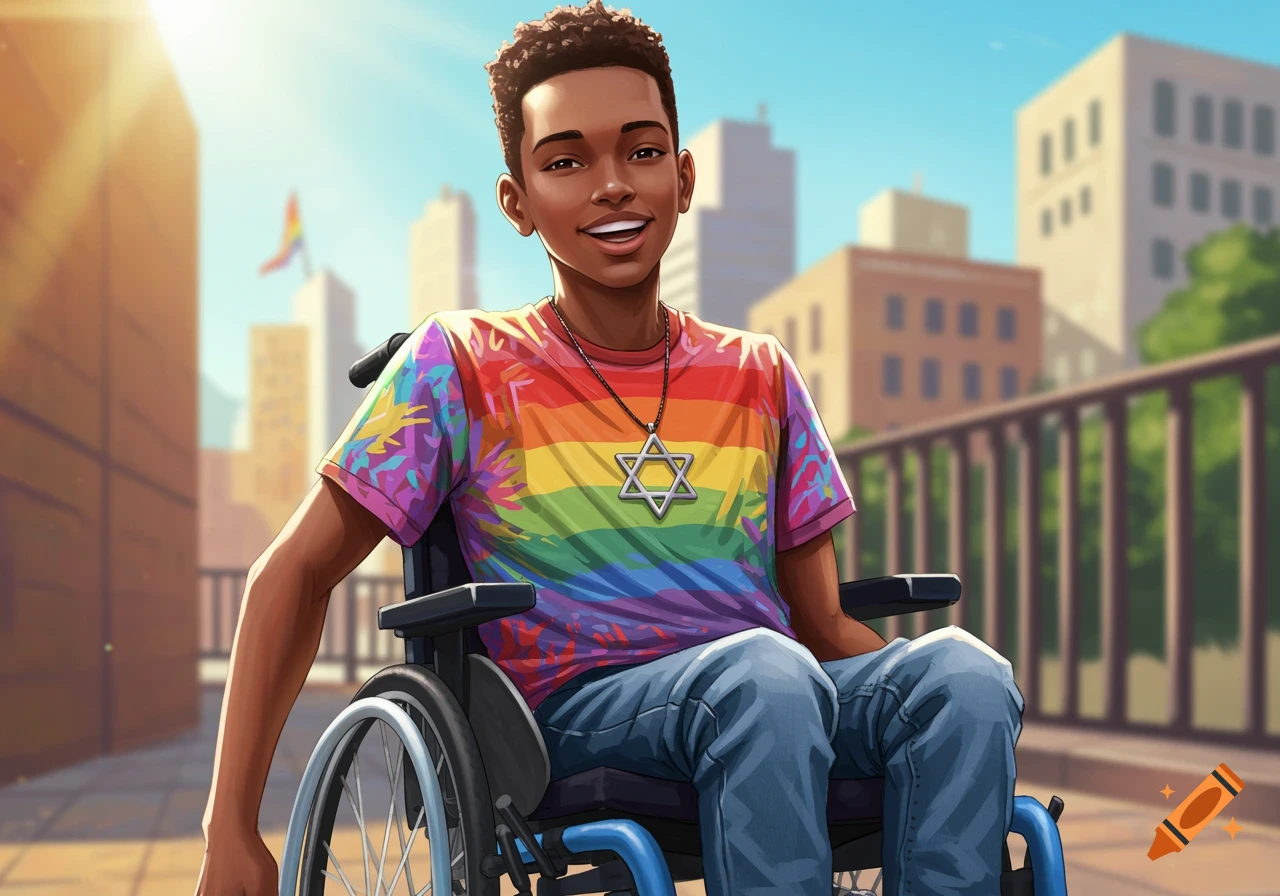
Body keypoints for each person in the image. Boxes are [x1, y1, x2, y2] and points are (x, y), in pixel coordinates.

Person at [195, 3, 1024, 895]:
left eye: (642, 151)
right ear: (517, 201)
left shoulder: (760, 372)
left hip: (771, 688)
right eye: (566, 162)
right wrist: (228, 828)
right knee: (765, 675)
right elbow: (294, 573)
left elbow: (819, 623)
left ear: (683, 176)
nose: (613, 186)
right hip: (574, 712)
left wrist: (904, 708)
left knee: (964, 675)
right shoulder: (461, 361)